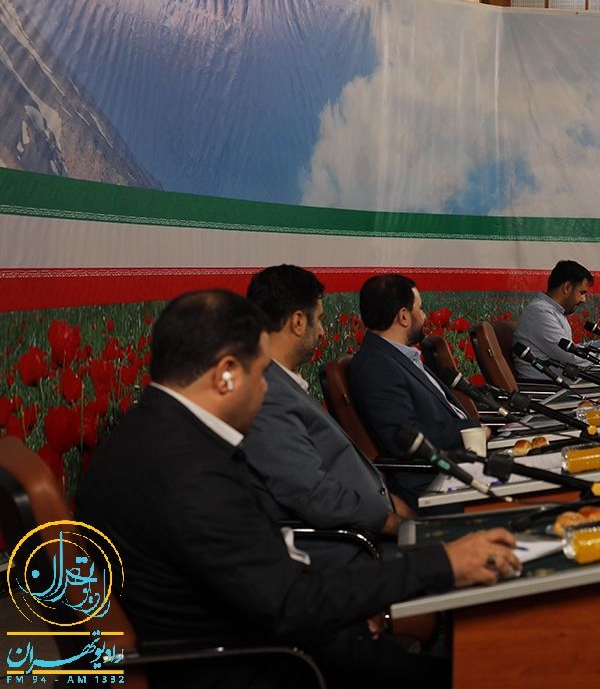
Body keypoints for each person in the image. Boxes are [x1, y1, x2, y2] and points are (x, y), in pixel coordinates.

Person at [76, 289, 520, 688]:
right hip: (261, 664)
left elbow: (256, 570)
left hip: (260, 632)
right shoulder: (188, 471)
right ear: (226, 374)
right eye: (260, 374)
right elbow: (289, 603)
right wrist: (442, 563)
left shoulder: (150, 434)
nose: (265, 390)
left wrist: (350, 600)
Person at [243, 265, 411, 550]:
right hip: (355, 549)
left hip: (372, 529)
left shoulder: (282, 382)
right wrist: (395, 523)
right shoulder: (267, 395)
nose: (322, 331)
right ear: (298, 322)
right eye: (319, 319)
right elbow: (313, 495)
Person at [349, 274, 481, 511]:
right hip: (433, 481)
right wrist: (471, 431)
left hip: (460, 463)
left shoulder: (398, 356)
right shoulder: (376, 366)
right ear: (403, 316)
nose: (424, 316)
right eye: (419, 308)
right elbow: (404, 437)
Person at [513, 260, 598, 381]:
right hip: (545, 389)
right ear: (567, 287)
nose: (584, 299)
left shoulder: (554, 311)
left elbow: (570, 348)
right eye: (582, 293)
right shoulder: (540, 312)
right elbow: (570, 356)